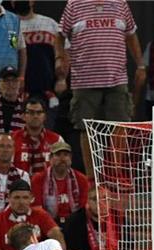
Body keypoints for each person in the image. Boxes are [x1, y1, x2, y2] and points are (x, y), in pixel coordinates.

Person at [56, 0, 146, 177]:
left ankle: (115, 174)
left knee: (121, 125)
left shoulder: (120, 4)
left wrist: (141, 65)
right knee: (86, 128)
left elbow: (131, 34)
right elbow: (59, 35)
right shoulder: (74, 4)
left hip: (117, 77)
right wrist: (59, 58)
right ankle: (92, 178)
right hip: (84, 80)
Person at [11, 0, 63, 128]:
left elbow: (64, 52)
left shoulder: (49, 23)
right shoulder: (8, 25)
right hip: (18, 91)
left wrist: (62, 78)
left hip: (47, 90)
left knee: (47, 132)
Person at [30, 141, 89, 229]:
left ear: (71, 158)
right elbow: (38, 209)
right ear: (50, 158)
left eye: (65, 155)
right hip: (48, 225)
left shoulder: (81, 179)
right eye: (58, 155)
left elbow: (83, 209)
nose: (62, 159)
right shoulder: (38, 179)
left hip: (75, 224)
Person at [11, 96, 63, 177]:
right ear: (23, 116)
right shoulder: (12, 139)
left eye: (39, 112)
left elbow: (63, 169)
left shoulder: (57, 140)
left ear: (45, 116)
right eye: (31, 112)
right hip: (20, 187)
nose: (35, 116)